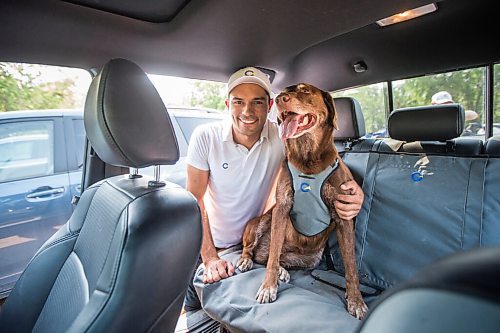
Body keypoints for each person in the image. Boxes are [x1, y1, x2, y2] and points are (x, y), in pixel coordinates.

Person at [183, 66, 364, 312]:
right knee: (194, 312)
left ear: (269, 107)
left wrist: (354, 188)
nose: (247, 111)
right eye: (239, 102)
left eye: (257, 102)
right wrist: (210, 256)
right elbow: (194, 200)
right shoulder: (206, 136)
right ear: (227, 104)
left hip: (256, 244)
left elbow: (326, 159)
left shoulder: (284, 135)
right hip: (212, 246)